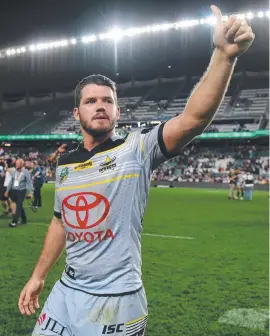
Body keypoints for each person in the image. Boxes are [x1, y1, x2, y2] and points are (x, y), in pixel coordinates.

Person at [18, 7, 255, 335]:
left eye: (107, 100)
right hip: (65, 293)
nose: (100, 105)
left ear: (118, 111)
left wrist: (224, 56)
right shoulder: (66, 163)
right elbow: (61, 221)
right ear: (77, 112)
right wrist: (38, 275)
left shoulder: (137, 148)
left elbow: (192, 120)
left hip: (116, 300)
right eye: (91, 101)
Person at [5, 158, 34, 227]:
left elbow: (29, 182)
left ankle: (14, 221)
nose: (16, 164)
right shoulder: (14, 171)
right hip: (14, 191)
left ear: (22, 164)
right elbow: (11, 182)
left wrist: (31, 192)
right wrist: (7, 190)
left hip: (22, 191)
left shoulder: (25, 172)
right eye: (16, 163)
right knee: (19, 205)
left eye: (18, 163)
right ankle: (24, 219)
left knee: (18, 205)